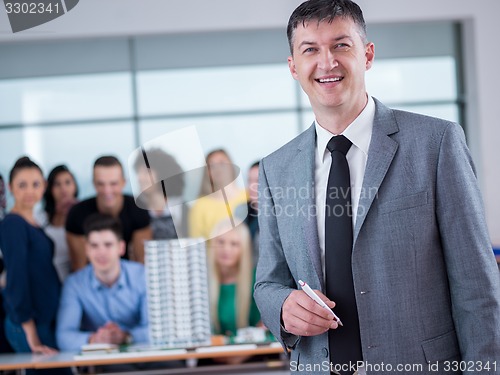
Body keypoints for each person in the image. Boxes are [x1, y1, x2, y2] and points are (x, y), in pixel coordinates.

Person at [253, 1, 500, 375]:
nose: (327, 62)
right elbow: (268, 282)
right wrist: (283, 307)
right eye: (310, 50)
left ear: (367, 55)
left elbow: (477, 289)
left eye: (341, 45)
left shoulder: (436, 144)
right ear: (293, 67)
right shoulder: (276, 169)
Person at [0, 157, 71, 375]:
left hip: (42, 321)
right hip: (29, 325)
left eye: (35, 184)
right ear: (11, 188)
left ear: (44, 187)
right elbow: (16, 278)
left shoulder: (33, 223)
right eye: (22, 185)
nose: (30, 190)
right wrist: (31, 333)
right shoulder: (13, 224)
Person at [57, 213, 148, 351]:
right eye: (94, 246)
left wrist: (126, 336)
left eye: (108, 245)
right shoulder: (75, 284)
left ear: (121, 247)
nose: (101, 252)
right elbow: (63, 336)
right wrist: (94, 339)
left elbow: (158, 329)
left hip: (142, 353)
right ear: (86, 249)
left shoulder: (142, 276)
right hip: (101, 360)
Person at [66, 155, 151, 271]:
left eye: (113, 184)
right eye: (101, 184)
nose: (107, 191)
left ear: (123, 182)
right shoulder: (77, 214)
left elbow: (142, 263)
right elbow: (79, 267)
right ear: (94, 184)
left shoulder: (138, 210)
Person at [207, 221, 260, 364]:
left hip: (252, 361)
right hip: (210, 362)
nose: (226, 249)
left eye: (234, 244)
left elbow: (264, 330)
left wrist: (234, 359)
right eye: (220, 242)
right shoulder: (201, 281)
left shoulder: (258, 281)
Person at [189, 149, 247, 240]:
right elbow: (197, 245)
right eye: (212, 166)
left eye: (222, 163)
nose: (218, 169)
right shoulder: (200, 205)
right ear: (207, 173)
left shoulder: (250, 196)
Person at [133, 148, 188, 239]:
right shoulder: (136, 209)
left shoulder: (182, 208)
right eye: (138, 172)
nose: (140, 178)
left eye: (146, 172)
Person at [41, 165, 79, 282]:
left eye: (67, 183)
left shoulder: (84, 215)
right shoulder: (40, 217)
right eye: (57, 184)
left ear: (75, 186)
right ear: (50, 188)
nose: (63, 189)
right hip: (46, 281)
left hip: (73, 280)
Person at [244, 161, 260, 266]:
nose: (252, 186)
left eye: (258, 181)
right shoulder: (241, 211)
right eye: (250, 181)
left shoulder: (282, 216)